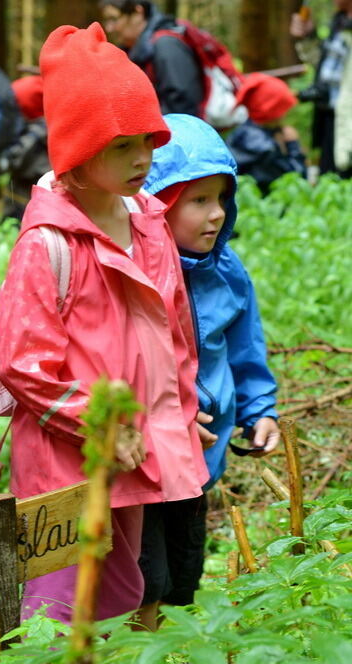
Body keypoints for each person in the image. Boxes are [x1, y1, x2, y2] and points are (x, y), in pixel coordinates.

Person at [0, 24, 207, 625]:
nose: (142, 157)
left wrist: (180, 415)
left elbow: (174, 332)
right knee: (64, 608)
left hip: (138, 449)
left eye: (147, 139)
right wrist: (100, 425)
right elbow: (20, 361)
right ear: (78, 151)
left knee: (132, 592)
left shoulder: (147, 221)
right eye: (120, 145)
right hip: (71, 458)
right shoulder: (48, 244)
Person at [141, 113, 280, 629]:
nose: (216, 214)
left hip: (203, 461)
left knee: (183, 575)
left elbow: (245, 352)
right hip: (147, 464)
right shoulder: (134, 275)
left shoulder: (227, 273)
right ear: (158, 203)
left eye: (222, 198)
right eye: (197, 200)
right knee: (145, 578)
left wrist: (259, 409)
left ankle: (176, 645)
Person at [100, 1, 204, 117]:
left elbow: (183, 107)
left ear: (138, 12)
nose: (109, 28)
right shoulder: (131, 49)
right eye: (106, 21)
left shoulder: (167, 45)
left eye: (114, 19)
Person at [290, 0, 352, 177]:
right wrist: (308, 36)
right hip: (331, 118)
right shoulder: (340, 21)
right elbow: (326, 68)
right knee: (331, 179)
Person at [225, 73, 307, 194]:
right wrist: (293, 145)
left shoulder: (245, 132)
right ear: (271, 111)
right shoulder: (264, 147)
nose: (285, 114)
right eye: (282, 109)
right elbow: (296, 180)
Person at [1, 75, 50, 221]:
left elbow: (13, 160)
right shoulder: (44, 128)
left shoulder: (36, 132)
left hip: (28, 195)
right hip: (29, 192)